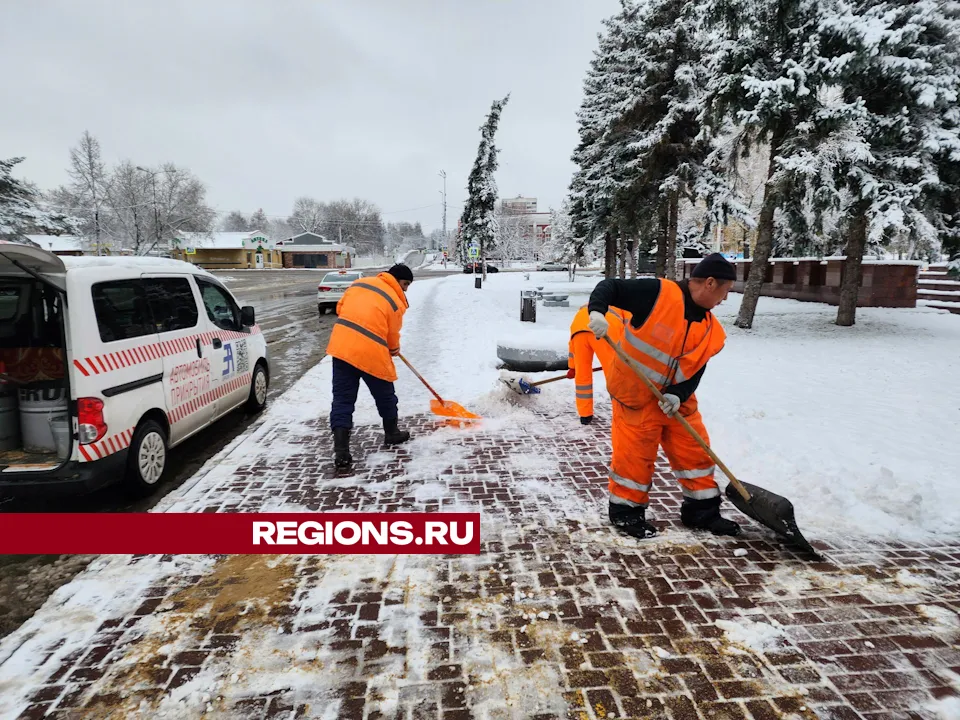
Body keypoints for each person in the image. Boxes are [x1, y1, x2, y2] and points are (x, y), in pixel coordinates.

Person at [586, 253, 741, 539]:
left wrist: (678, 395)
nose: (725, 299)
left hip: (676, 402)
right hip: (635, 396)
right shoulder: (657, 293)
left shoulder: (711, 329)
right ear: (709, 283)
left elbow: (696, 370)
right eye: (725, 291)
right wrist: (597, 312)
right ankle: (626, 514)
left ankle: (702, 512)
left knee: (695, 454)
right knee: (634, 459)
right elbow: (610, 287)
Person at [325, 263, 414, 469]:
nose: (406, 289)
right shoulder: (395, 301)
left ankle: (341, 451)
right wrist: (393, 348)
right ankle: (392, 433)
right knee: (385, 395)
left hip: (342, 348)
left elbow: (340, 309)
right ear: (396, 280)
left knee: (342, 399)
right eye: (405, 284)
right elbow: (392, 333)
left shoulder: (359, 284)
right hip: (371, 351)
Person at [567, 304, 625, 425]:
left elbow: (572, 347)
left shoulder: (585, 308)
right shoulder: (625, 307)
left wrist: (572, 367)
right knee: (614, 375)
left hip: (579, 330)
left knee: (582, 374)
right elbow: (631, 334)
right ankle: (621, 413)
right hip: (606, 331)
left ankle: (585, 414)